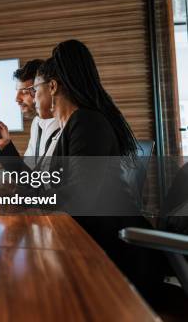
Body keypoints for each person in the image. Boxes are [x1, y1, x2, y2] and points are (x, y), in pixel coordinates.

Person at [32, 39, 162, 301]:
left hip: (116, 256)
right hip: (95, 243)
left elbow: (80, 197)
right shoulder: (74, 125)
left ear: (53, 87)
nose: (33, 98)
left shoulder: (87, 122)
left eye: (35, 90)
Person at [0, 59, 60, 167]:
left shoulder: (63, 125)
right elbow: (28, 173)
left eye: (25, 92)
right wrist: (4, 144)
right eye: (18, 92)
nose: (17, 99)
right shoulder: (37, 122)